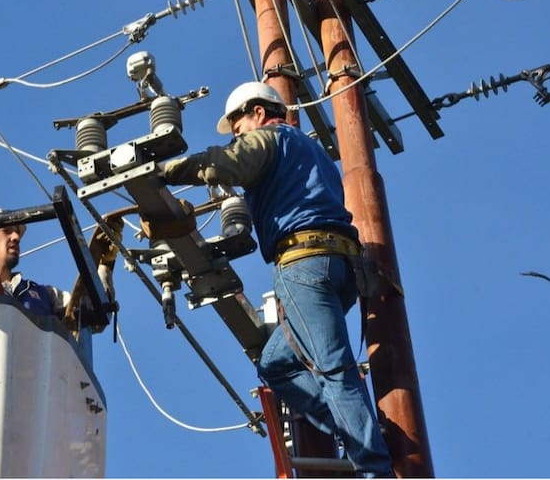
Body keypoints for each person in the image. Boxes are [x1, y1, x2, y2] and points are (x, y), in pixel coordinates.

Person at [161, 82, 393, 477]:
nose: (237, 133)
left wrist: (164, 170)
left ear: (259, 112)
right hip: (338, 269)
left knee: (334, 371)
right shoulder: (311, 151)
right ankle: (356, 430)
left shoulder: (271, 138)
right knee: (275, 364)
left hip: (304, 267)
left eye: (238, 125)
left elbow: (225, 164)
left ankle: (375, 468)